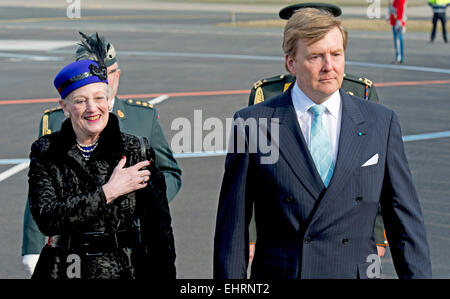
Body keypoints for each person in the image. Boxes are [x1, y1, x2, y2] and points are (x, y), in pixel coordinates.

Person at [214, 8, 431, 279]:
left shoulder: (380, 122)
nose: (329, 66)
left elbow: (404, 223)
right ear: (291, 63)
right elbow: (231, 230)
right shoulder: (252, 124)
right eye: (316, 56)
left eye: (336, 54)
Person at [22, 32, 181, 275]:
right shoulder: (47, 151)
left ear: (108, 101)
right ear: (64, 106)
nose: (92, 108)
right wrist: (109, 192)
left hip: (124, 269)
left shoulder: (136, 149)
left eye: (99, 98)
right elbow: (47, 218)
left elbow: (158, 231)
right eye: (80, 100)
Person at [246, 3, 388, 265]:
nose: (327, 64)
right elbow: (256, 182)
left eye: (335, 53)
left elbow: (374, 177)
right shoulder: (267, 95)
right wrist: (252, 236)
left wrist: (377, 235)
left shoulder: (361, 94)